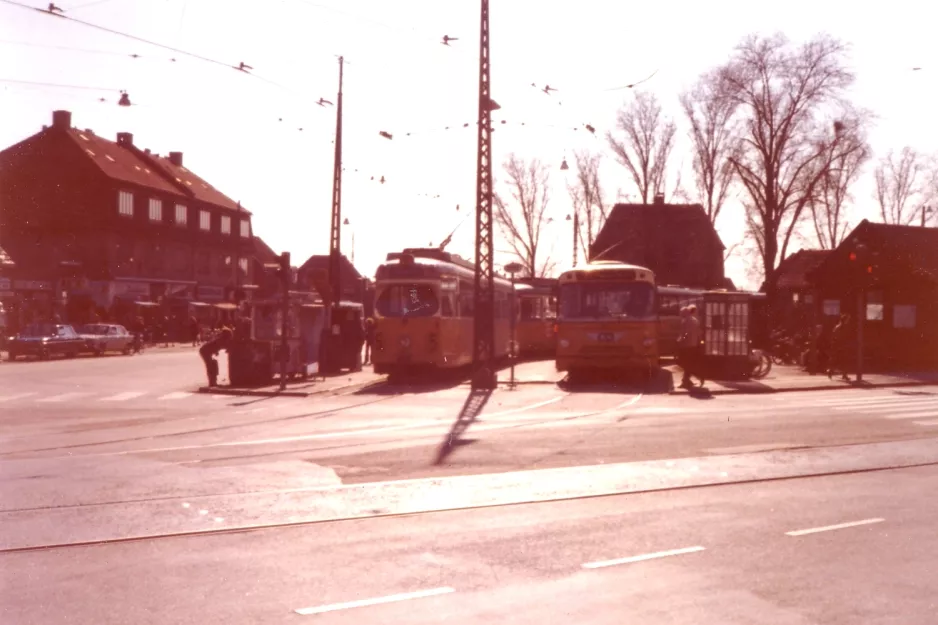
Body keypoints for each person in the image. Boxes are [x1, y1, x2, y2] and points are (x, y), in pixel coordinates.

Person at [678, 304, 704, 388]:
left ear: (685, 313)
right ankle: (686, 380)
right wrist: (699, 342)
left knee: (686, 364)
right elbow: (699, 333)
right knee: (689, 363)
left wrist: (680, 340)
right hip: (694, 345)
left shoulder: (685, 321)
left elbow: (685, 333)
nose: (680, 315)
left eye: (681, 313)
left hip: (686, 345)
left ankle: (686, 381)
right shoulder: (695, 320)